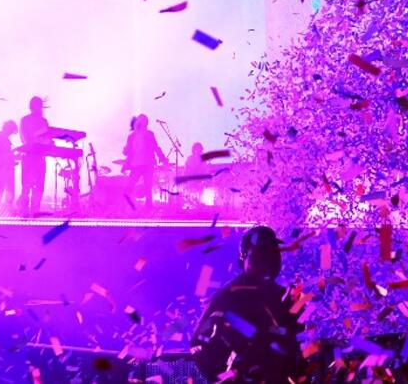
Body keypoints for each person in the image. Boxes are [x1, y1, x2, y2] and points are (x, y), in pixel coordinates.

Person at [192, 225, 304, 383]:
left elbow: (296, 340)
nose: (268, 258)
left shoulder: (285, 297)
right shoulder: (228, 297)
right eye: (261, 253)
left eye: (273, 252)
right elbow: (198, 344)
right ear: (244, 257)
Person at [122, 114, 167, 207]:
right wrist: (125, 152)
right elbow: (127, 152)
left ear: (146, 123)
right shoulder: (131, 136)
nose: (141, 123)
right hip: (135, 165)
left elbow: (156, 147)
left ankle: (148, 207)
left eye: (144, 121)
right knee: (130, 185)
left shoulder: (149, 134)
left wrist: (162, 158)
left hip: (148, 164)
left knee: (148, 187)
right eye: (140, 120)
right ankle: (127, 204)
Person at [18, 96, 51, 216]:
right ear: (33, 106)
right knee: (27, 184)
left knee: (39, 185)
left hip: (39, 157)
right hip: (29, 156)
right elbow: (25, 139)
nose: (40, 108)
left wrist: (49, 142)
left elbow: (48, 138)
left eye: (40, 106)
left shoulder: (44, 121)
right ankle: (24, 211)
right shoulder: (25, 120)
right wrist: (39, 140)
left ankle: (35, 211)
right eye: (38, 106)